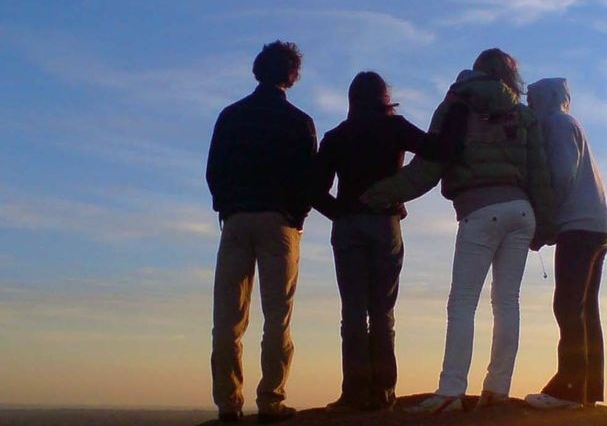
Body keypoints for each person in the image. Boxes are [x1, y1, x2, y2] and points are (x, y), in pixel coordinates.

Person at [363, 49, 555, 414]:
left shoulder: (456, 105)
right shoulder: (523, 113)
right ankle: (497, 389)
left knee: (463, 302)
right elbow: (539, 173)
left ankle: (451, 390)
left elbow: (428, 166)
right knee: (507, 301)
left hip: (480, 211)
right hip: (521, 211)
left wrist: (377, 194)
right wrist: (545, 224)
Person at [311, 71, 463, 412]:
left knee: (352, 311)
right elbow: (438, 149)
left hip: (348, 226)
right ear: (384, 97)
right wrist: (454, 110)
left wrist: (340, 212)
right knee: (383, 311)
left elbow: (314, 188)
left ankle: (353, 393)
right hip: (385, 224)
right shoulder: (395, 127)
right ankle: (383, 393)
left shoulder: (337, 136)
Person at [206, 41, 316, 423]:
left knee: (227, 319)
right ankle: (271, 400)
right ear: (291, 75)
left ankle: (228, 404)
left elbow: (214, 171)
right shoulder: (299, 122)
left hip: (236, 221)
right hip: (279, 223)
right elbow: (309, 179)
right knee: (277, 316)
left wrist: (226, 206)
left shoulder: (230, 116)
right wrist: (296, 217)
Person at [522, 78, 607, 410]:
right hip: (596, 225)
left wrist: (545, 222)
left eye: (532, 100)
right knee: (585, 308)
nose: (529, 106)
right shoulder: (569, 123)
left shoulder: (558, 125)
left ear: (546, 99)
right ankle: (587, 388)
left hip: (578, 227)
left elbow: (561, 175)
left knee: (568, 305)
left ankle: (570, 389)